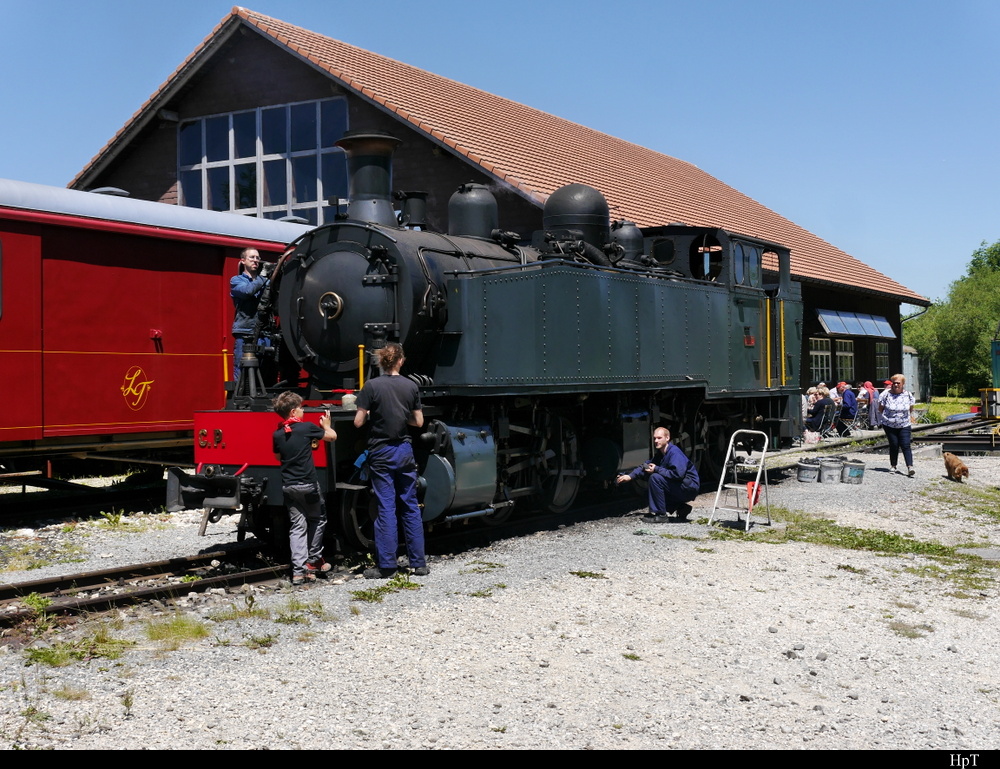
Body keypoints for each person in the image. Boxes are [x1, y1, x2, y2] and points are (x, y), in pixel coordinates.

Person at [354, 343, 428, 579]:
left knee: (386, 507)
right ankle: (419, 564)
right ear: (401, 361)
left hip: (381, 451)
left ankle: (387, 566)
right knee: (410, 504)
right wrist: (399, 417)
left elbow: (357, 422)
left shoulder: (371, 386)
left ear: (381, 362)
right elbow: (418, 422)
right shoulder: (411, 386)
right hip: (404, 450)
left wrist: (373, 415)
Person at [272, 391, 337, 585]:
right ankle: (313, 559)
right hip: (308, 485)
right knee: (318, 518)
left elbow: (277, 458)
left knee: (297, 526)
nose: (303, 411)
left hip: (289, 486)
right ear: (293, 411)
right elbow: (332, 437)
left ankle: (298, 572)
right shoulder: (307, 428)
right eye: (301, 408)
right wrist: (326, 425)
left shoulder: (278, 433)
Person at [616, 427, 700, 523]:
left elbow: (678, 474)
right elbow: (646, 466)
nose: (656, 441)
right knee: (649, 488)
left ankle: (661, 515)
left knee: (655, 478)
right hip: (681, 486)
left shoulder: (674, 453)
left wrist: (656, 469)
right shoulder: (660, 454)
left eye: (659, 438)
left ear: (667, 438)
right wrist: (630, 476)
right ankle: (681, 508)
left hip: (688, 487)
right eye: (654, 438)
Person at [230, 247, 268, 383]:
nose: (256, 260)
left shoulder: (265, 282)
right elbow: (247, 291)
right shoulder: (236, 281)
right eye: (252, 257)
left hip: (264, 333)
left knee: (264, 370)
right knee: (242, 368)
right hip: (245, 331)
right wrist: (263, 278)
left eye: (257, 258)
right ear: (243, 261)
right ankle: (238, 400)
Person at [878, 373, 916, 476]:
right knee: (894, 445)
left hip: (904, 424)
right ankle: (893, 466)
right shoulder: (886, 394)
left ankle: (910, 467)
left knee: (905, 445)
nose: (895, 385)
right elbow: (880, 408)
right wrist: (889, 418)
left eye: (898, 383)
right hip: (889, 424)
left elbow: (911, 408)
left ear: (903, 384)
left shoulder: (908, 394)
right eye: (894, 383)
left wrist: (903, 417)